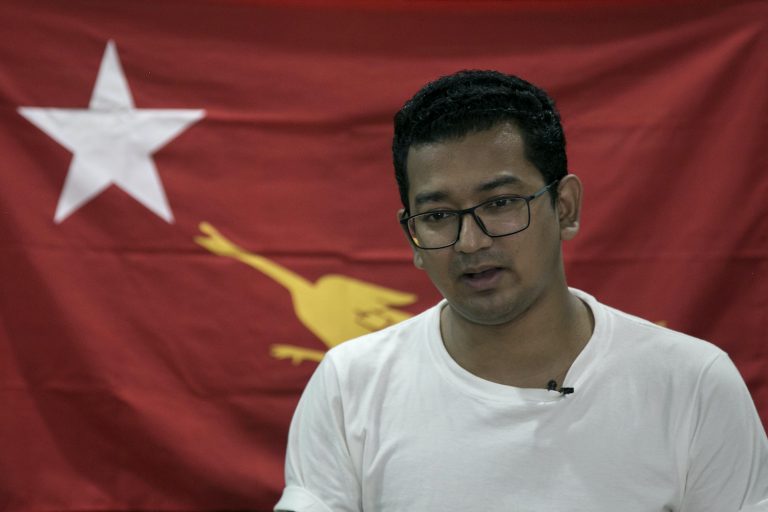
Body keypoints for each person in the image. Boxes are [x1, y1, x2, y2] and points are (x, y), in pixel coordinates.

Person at [274, 70, 768, 511]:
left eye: (501, 203)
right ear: (413, 236)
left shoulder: (694, 383)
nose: (471, 241)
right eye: (439, 216)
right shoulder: (350, 385)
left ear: (566, 207)